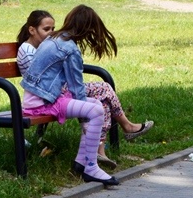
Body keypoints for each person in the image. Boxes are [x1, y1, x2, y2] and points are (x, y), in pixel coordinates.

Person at [16, 10, 153, 169]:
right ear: (32, 30)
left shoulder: (51, 42)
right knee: (104, 89)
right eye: (46, 29)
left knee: (102, 98)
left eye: (52, 28)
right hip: (48, 95)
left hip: (53, 91)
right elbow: (42, 79)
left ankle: (102, 148)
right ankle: (123, 130)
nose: (51, 32)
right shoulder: (32, 49)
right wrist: (83, 115)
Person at [20, 5, 124, 186]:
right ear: (86, 28)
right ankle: (90, 167)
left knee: (94, 106)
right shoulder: (69, 49)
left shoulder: (55, 38)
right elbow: (77, 90)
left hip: (40, 98)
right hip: (42, 103)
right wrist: (87, 117)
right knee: (95, 111)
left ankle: (80, 162)